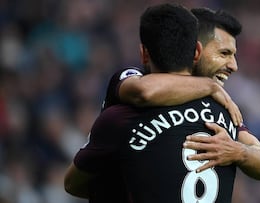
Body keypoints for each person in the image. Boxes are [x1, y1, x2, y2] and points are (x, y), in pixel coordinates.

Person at [65, 3, 240, 202]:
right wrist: (211, 86)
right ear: (197, 52)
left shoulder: (120, 117)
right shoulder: (225, 113)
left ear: (144, 53)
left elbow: (72, 184)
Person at [102, 7, 260, 178]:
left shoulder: (218, 105)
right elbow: (144, 91)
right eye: (224, 53)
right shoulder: (136, 78)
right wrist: (209, 85)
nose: (234, 66)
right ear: (195, 50)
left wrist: (238, 151)